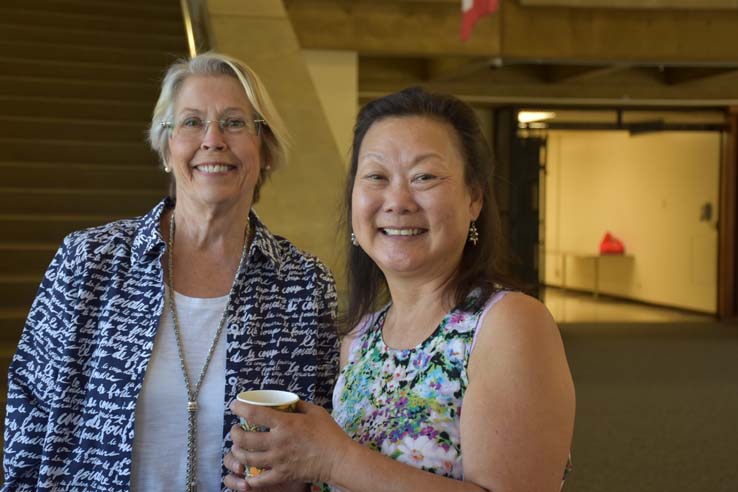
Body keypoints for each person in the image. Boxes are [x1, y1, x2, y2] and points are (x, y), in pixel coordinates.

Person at [2, 52, 339, 492]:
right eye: (192, 122)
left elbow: (327, 439)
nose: (213, 139)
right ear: (166, 147)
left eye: (235, 123)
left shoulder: (304, 284)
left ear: (266, 150)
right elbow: (28, 415)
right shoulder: (90, 261)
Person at [225, 87, 575, 492]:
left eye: (424, 177)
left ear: (474, 198)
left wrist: (334, 459)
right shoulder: (359, 340)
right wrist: (294, 476)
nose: (398, 200)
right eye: (376, 176)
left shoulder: (507, 324)